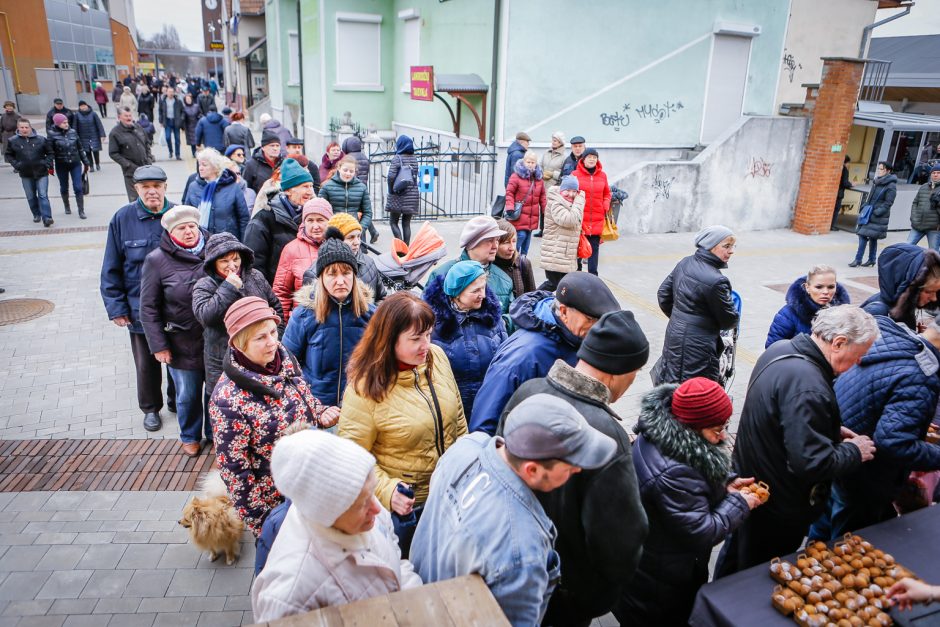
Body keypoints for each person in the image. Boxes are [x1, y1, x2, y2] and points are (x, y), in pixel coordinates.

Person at [411, 394, 616, 626]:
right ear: (532, 470)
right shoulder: (521, 550)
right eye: (570, 465)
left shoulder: (466, 447)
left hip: (421, 600)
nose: (578, 470)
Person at [499, 310, 650, 627]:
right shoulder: (607, 435)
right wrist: (601, 591)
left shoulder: (529, 391)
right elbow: (621, 539)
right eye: (635, 372)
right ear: (617, 372)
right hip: (568, 589)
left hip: (513, 567)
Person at [715, 305, 878, 576]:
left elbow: (780, 416)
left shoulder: (780, 350)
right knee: (755, 575)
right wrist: (853, 450)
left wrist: (828, 429)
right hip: (778, 507)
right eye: (859, 355)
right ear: (838, 342)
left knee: (734, 561)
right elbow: (811, 463)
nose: (859, 363)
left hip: (751, 485)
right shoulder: (809, 385)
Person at [617, 377, 760, 626]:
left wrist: (724, 485)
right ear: (692, 426)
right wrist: (739, 503)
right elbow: (701, 532)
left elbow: (692, 486)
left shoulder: (660, 434)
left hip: (647, 560)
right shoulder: (675, 471)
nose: (722, 436)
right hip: (658, 582)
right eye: (717, 429)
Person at [338, 292, 467, 556]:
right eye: (416, 339)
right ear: (389, 340)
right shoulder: (364, 389)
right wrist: (387, 490)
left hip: (450, 496)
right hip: (410, 510)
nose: (426, 345)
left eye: (429, 335)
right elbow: (351, 459)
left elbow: (459, 419)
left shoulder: (437, 358)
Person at [251, 430, 422, 621]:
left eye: (371, 493)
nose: (377, 509)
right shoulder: (290, 596)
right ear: (328, 513)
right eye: (362, 504)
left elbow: (396, 562)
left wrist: (414, 603)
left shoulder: (365, 507)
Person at [809, 313, 940, 539]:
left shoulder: (891, 339)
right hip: (863, 477)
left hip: (840, 459)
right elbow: (894, 443)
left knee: (822, 533)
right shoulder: (919, 374)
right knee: (846, 547)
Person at [210, 296, 325, 537]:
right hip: (276, 503)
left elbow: (301, 396)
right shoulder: (227, 400)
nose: (272, 342)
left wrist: (319, 411)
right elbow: (235, 473)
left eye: (273, 332)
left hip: (309, 483)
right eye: (261, 337)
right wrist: (265, 524)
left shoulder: (283, 358)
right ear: (240, 345)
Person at [469, 272, 621, 434]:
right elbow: (484, 427)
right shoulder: (522, 357)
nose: (596, 328)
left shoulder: (576, 338)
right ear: (563, 312)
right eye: (590, 320)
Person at [100, 165, 177, 431]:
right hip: (139, 308)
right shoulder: (122, 218)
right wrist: (116, 307)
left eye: (157, 186)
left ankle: (176, 400)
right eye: (146, 187)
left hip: (175, 307)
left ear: (165, 187)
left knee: (178, 357)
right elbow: (111, 267)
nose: (152, 191)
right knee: (147, 364)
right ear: (137, 189)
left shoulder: (178, 215)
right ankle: (150, 408)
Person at [139, 207, 209, 456]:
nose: (189, 231)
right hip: (180, 341)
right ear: (170, 232)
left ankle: (214, 433)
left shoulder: (215, 248)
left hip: (214, 339)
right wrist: (158, 345)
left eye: (192, 226)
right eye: (181, 228)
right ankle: (190, 435)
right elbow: (148, 307)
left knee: (215, 391)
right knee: (188, 395)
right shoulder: (156, 260)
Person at [283, 231, 374, 420]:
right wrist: (314, 406)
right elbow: (288, 366)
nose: (340, 281)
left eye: (346, 272)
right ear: (321, 277)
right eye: (332, 274)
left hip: (361, 406)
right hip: (317, 408)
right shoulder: (304, 315)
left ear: (354, 275)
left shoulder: (371, 314)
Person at [192, 232, 283, 400]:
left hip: (259, 357)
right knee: (224, 405)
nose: (232, 266)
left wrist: (274, 337)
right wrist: (228, 287)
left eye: (235, 259)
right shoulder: (204, 285)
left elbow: (275, 306)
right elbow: (206, 316)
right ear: (214, 263)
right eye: (224, 261)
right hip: (222, 360)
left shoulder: (255, 276)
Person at [653, 225, 739, 385]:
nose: (731, 251)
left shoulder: (685, 262)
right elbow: (729, 320)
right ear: (710, 247)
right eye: (726, 246)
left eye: (732, 246)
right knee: (694, 390)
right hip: (699, 344)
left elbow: (663, 295)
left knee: (671, 379)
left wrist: (680, 318)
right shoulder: (716, 280)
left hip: (675, 334)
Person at [423, 260, 508, 417]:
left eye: (483, 288)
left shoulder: (493, 319)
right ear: (457, 293)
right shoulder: (434, 325)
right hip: (451, 408)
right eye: (475, 291)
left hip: (490, 403)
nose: (482, 295)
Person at [244, 158, 316, 283]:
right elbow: (254, 265)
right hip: (276, 293)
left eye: (311, 186)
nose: (310, 192)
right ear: (288, 190)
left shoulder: (313, 217)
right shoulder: (264, 219)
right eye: (305, 187)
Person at [426, 216, 514, 314]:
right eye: (489, 240)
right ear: (472, 244)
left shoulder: (505, 280)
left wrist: (502, 323)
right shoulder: (441, 275)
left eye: (497, 240)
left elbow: (514, 317)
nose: (495, 246)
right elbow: (425, 317)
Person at [302, 213, 387, 303]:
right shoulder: (314, 273)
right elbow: (312, 311)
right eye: (351, 237)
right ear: (335, 240)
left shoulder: (368, 262)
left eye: (358, 236)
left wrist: (374, 316)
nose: (357, 242)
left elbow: (381, 298)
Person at [272, 198, 332, 320]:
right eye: (310, 220)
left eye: (320, 220)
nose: (315, 226)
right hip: (303, 322)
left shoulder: (339, 246)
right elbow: (281, 292)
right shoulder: (291, 249)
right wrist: (284, 326)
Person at [766, 264, 851, 348]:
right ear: (807, 287)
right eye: (819, 287)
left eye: (831, 287)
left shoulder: (843, 314)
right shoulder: (788, 314)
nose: (825, 291)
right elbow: (772, 349)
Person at [861, 243, 940, 331]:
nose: (934, 298)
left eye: (936, 292)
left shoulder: (904, 307)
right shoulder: (877, 312)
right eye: (928, 291)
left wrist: (917, 337)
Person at [183, 148, 251, 241]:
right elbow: (186, 216)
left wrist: (243, 244)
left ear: (215, 167)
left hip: (227, 244)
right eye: (199, 164)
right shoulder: (193, 187)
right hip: (201, 244)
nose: (200, 168)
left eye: (204, 165)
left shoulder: (233, 187)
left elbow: (244, 219)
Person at [5, 118, 54, 226]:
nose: (24, 129)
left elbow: (50, 153)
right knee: (30, 195)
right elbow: (8, 154)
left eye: (26, 127)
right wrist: (17, 165)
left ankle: (47, 218)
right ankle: (36, 214)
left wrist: (46, 163)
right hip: (25, 173)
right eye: (22, 127)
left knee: (42, 195)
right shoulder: (13, 141)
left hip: (41, 172)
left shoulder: (41, 139)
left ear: (30, 128)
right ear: (18, 128)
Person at [539, 175, 585, 291]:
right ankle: (529, 301)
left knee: (562, 286)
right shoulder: (556, 202)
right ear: (561, 190)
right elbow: (570, 220)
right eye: (567, 191)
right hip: (556, 254)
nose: (571, 194)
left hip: (564, 254)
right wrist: (580, 201)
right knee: (555, 284)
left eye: (574, 191)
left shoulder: (568, 203)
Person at [573, 148, 611, 275]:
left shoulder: (603, 175)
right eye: (589, 157)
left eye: (594, 157)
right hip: (580, 220)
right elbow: (569, 195)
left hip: (597, 219)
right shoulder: (575, 175)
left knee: (594, 251)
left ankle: (593, 279)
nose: (592, 159)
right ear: (583, 159)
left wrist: (605, 204)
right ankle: (576, 278)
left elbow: (607, 193)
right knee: (578, 250)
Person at [851, 161, 897, 267]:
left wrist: (877, 212)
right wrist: (864, 206)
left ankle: (858, 259)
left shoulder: (891, 186)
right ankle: (871, 259)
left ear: (888, 171)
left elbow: (888, 203)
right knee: (868, 236)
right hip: (868, 213)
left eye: (881, 169)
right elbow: (870, 197)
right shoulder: (877, 182)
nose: (879, 171)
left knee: (866, 236)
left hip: (878, 216)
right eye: (878, 169)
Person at [47, 113, 89, 219]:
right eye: (63, 122)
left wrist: (86, 162)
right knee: (64, 187)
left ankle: (81, 210)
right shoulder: (52, 135)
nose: (66, 124)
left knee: (78, 187)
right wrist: (50, 166)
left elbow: (80, 148)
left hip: (75, 163)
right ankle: (67, 206)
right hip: (61, 164)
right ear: (57, 123)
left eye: (67, 122)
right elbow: (50, 152)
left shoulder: (73, 132)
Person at [505, 150, 546, 256]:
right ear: (524, 161)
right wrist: (510, 206)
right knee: (520, 236)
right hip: (519, 214)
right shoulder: (516, 176)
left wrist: (546, 210)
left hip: (532, 216)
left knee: (527, 241)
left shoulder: (539, 179)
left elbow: (542, 196)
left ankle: (522, 262)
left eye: (533, 162)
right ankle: (514, 259)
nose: (530, 164)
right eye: (528, 162)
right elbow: (509, 192)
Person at [108, 107, 153, 202]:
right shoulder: (115, 133)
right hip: (131, 173)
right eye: (126, 116)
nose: (129, 118)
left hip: (146, 169)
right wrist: (127, 165)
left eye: (130, 115)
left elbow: (147, 143)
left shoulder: (138, 127)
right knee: (135, 200)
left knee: (148, 197)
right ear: (119, 117)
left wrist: (149, 158)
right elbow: (113, 153)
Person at [319, 155, 373, 232]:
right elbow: (321, 211)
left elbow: (368, 212)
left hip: (355, 230)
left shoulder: (362, 187)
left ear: (355, 171)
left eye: (351, 171)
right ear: (339, 168)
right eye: (345, 170)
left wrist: (361, 229)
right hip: (334, 230)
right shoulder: (326, 186)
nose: (348, 173)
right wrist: (329, 228)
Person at [342, 135, 377, 243]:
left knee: (358, 218)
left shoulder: (348, 159)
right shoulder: (364, 157)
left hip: (352, 190)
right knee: (364, 213)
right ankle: (373, 232)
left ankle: (363, 244)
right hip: (363, 188)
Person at [385, 135, 419, 244]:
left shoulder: (397, 158)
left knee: (393, 222)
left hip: (399, 195)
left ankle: (401, 249)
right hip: (412, 195)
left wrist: (391, 190)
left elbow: (390, 177)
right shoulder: (414, 159)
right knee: (406, 223)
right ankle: (406, 248)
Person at [493, 219, 536, 298]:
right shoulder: (486, 266)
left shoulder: (523, 263)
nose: (512, 248)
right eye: (506, 242)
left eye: (514, 241)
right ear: (494, 243)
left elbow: (532, 298)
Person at [907, 164, 940, 250]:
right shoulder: (924, 187)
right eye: (933, 173)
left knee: (934, 253)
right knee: (906, 247)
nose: (935, 175)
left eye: (938, 173)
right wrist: (914, 218)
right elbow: (915, 203)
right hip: (917, 225)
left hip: (934, 228)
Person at [73, 101, 106, 173]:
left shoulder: (93, 114)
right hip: (83, 136)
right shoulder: (77, 115)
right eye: (81, 106)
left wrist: (102, 135)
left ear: (87, 105)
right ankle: (91, 166)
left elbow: (99, 125)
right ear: (79, 107)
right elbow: (75, 127)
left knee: (95, 151)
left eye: (84, 105)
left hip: (94, 135)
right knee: (87, 152)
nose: (83, 107)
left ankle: (97, 163)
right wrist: (74, 136)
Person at [158, 86, 183, 161]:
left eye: (172, 92)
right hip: (167, 121)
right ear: (166, 92)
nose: (170, 93)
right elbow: (160, 111)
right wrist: (161, 121)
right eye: (169, 92)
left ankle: (177, 154)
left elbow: (182, 111)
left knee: (177, 139)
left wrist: (181, 119)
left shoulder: (178, 101)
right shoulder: (163, 100)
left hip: (176, 121)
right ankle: (170, 151)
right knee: (168, 137)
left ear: (174, 92)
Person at [831, 154, 854, 231]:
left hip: (832, 192)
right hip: (839, 193)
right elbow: (845, 183)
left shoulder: (836, 167)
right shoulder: (844, 170)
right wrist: (851, 184)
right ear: (846, 162)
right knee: (836, 209)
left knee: (831, 208)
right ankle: (832, 225)